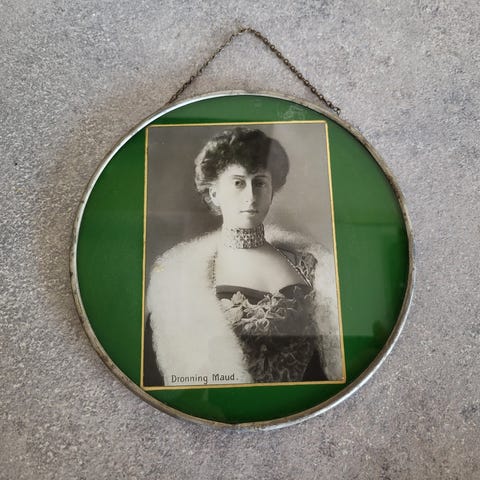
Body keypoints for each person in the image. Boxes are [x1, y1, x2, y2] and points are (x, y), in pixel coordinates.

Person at [145, 127, 343, 387]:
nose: (250, 196)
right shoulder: (180, 276)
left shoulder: (310, 265)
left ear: (272, 190)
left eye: (259, 183)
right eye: (238, 183)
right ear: (214, 193)